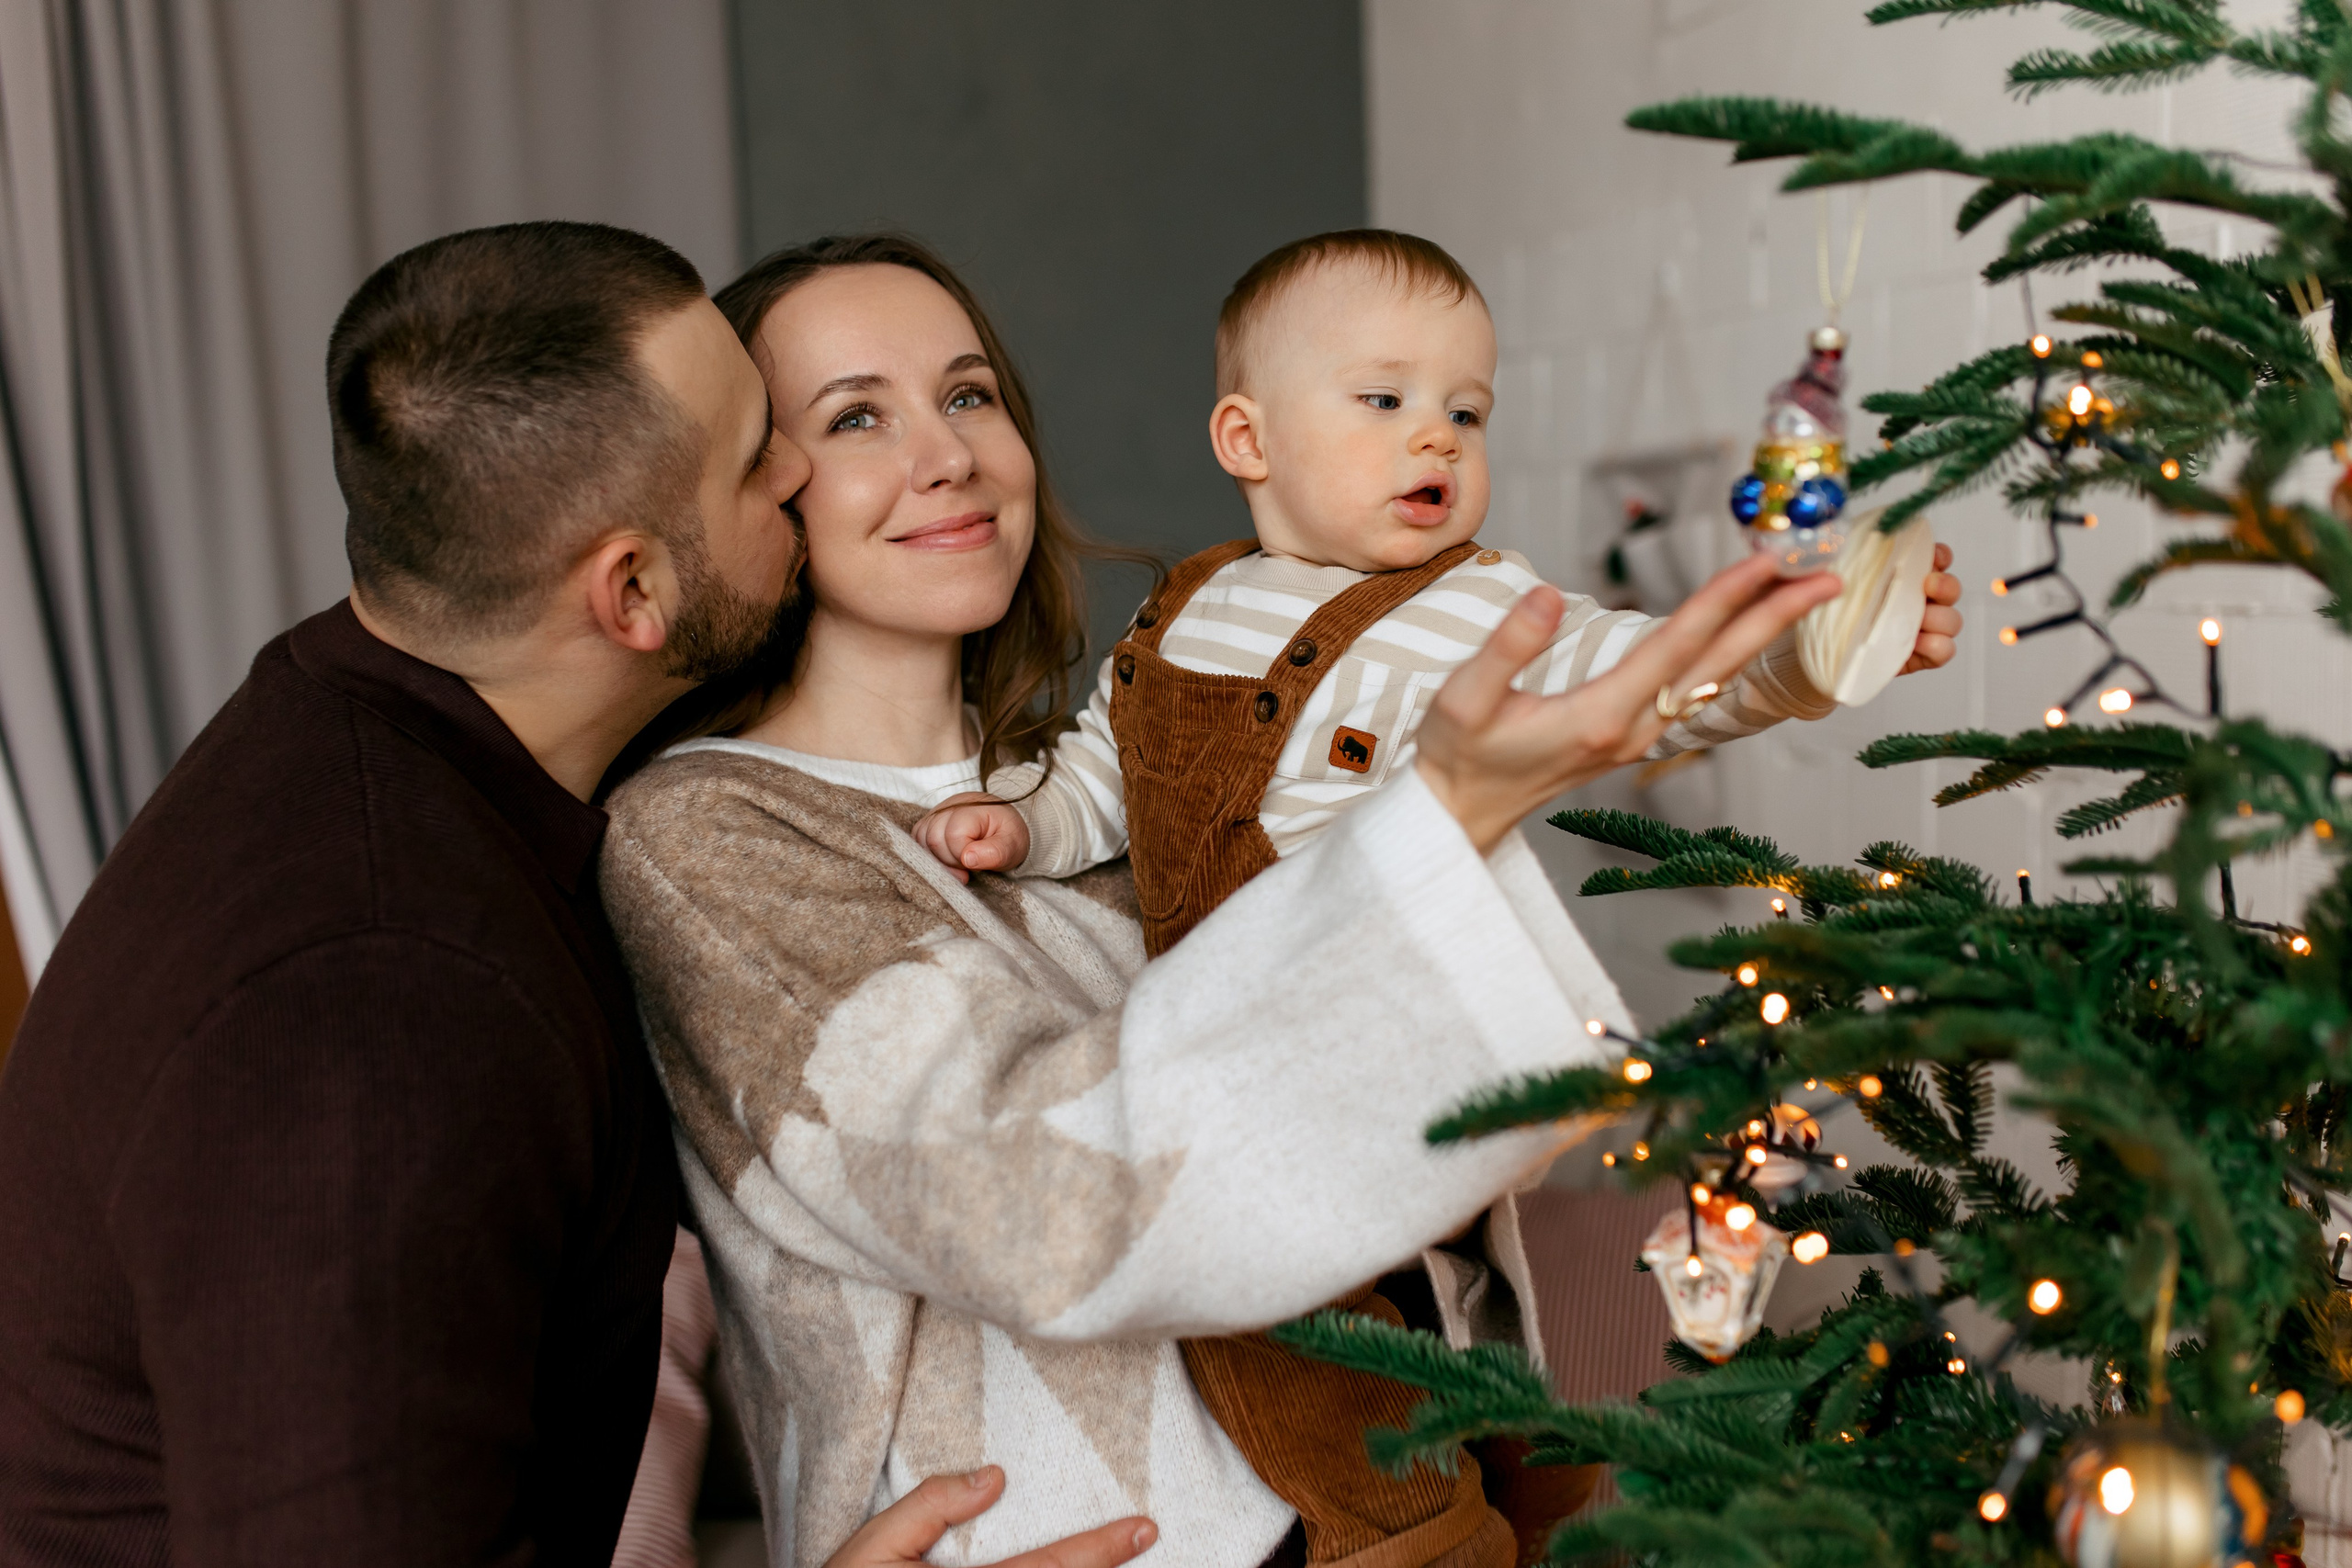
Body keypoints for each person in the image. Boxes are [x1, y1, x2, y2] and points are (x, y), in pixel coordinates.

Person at [594, 232, 1846, 1568]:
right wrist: (1447, 814)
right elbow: (1043, 1206)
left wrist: (1811, 639)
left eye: (970, 395)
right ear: (751, 488)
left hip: (1421, 1488)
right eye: (857, 416)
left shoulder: (1127, 789)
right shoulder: (708, 830)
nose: (948, 453)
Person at [0, 220, 1152, 1568]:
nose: (800, 471)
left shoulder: (372, 750)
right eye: (760, 459)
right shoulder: (381, 996)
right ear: (635, 594)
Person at [899, 228, 1964, 1568]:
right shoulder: (1185, 608)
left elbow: (1645, 673)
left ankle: (1431, 1536)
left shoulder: (1478, 609)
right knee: (1360, 1330)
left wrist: (1810, 652)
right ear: (1248, 438)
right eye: (1386, 400)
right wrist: (1031, 821)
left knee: (1346, 1329)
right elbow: (1108, 772)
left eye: (1468, 411)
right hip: (1230, 1056)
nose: (1438, 442)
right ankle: (1469, 1518)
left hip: (1386, 1026)